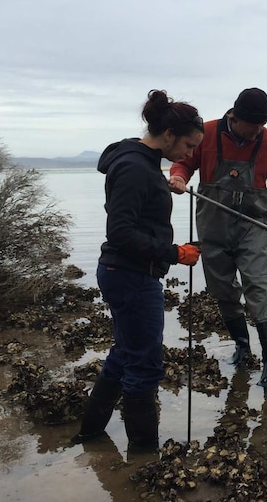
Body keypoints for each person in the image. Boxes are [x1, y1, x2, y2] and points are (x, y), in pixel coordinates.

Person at [73, 89, 205, 451]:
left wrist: (166, 185)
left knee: (123, 355)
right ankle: (144, 458)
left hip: (128, 272)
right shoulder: (134, 166)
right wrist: (174, 252)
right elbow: (119, 231)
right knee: (144, 367)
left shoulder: (143, 162)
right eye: (189, 146)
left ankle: (90, 434)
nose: (189, 155)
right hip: (130, 275)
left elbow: (138, 209)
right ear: (168, 135)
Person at [167, 87, 267, 389]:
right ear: (233, 117)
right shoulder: (206, 133)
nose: (256, 131)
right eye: (251, 125)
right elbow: (184, 161)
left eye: (261, 125)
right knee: (221, 287)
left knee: (258, 284)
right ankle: (241, 346)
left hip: (255, 225)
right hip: (213, 225)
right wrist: (179, 177)